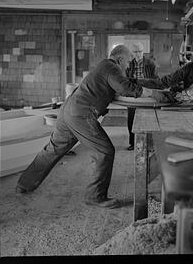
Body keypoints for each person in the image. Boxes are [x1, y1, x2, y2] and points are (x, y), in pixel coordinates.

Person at [15, 45, 155, 209]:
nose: (128, 66)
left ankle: (24, 185)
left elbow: (122, 84)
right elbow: (125, 87)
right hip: (81, 114)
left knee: (53, 149)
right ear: (120, 59)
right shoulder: (111, 66)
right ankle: (95, 196)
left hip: (69, 110)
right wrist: (152, 93)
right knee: (105, 151)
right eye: (128, 63)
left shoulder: (104, 67)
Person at [125, 42, 159, 150]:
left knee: (148, 119)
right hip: (133, 95)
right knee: (131, 119)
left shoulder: (150, 63)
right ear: (132, 53)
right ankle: (133, 143)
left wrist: (142, 81)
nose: (138, 54)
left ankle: (149, 142)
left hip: (147, 93)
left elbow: (157, 80)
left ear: (143, 51)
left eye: (140, 51)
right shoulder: (128, 64)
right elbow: (125, 80)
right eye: (135, 52)